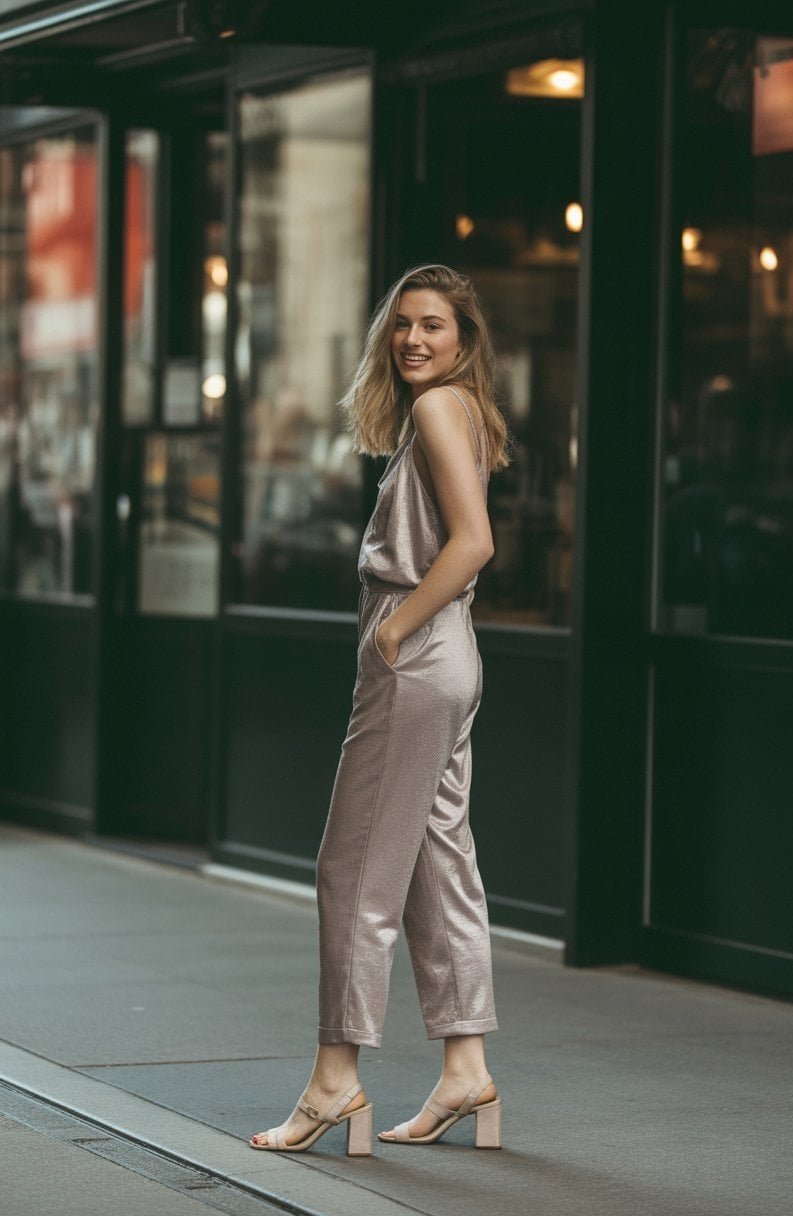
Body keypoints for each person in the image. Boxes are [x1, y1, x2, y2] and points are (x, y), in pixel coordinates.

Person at [250, 264, 510, 1155]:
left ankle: (333, 1082)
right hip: (452, 656)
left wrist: (395, 627)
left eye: (433, 326)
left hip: (419, 649)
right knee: (439, 858)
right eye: (401, 325)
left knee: (352, 868)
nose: (413, 341)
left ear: (464, 339)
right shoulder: (461, 410)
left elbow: (474, 543)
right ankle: (466, 1067)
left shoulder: (440, 408)